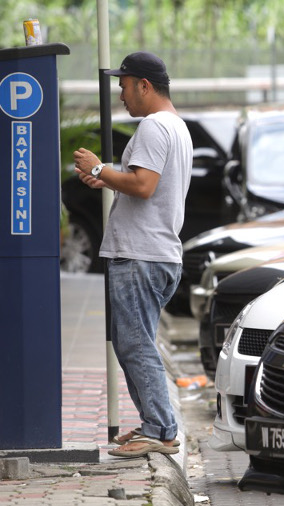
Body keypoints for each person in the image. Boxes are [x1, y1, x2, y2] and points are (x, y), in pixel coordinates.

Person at [73, 51, 192, 457]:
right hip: (155, 253)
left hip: (142, 254)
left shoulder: (155, 127)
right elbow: (144, 184)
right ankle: (152, 425)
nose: (121, 94)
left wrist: (99, 168)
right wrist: (105, 175)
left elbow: (144, 186)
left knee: (135, 344)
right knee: (132, 343)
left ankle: (159, 429)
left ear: (144, 85)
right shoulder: (175, 126)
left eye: (124, 86)